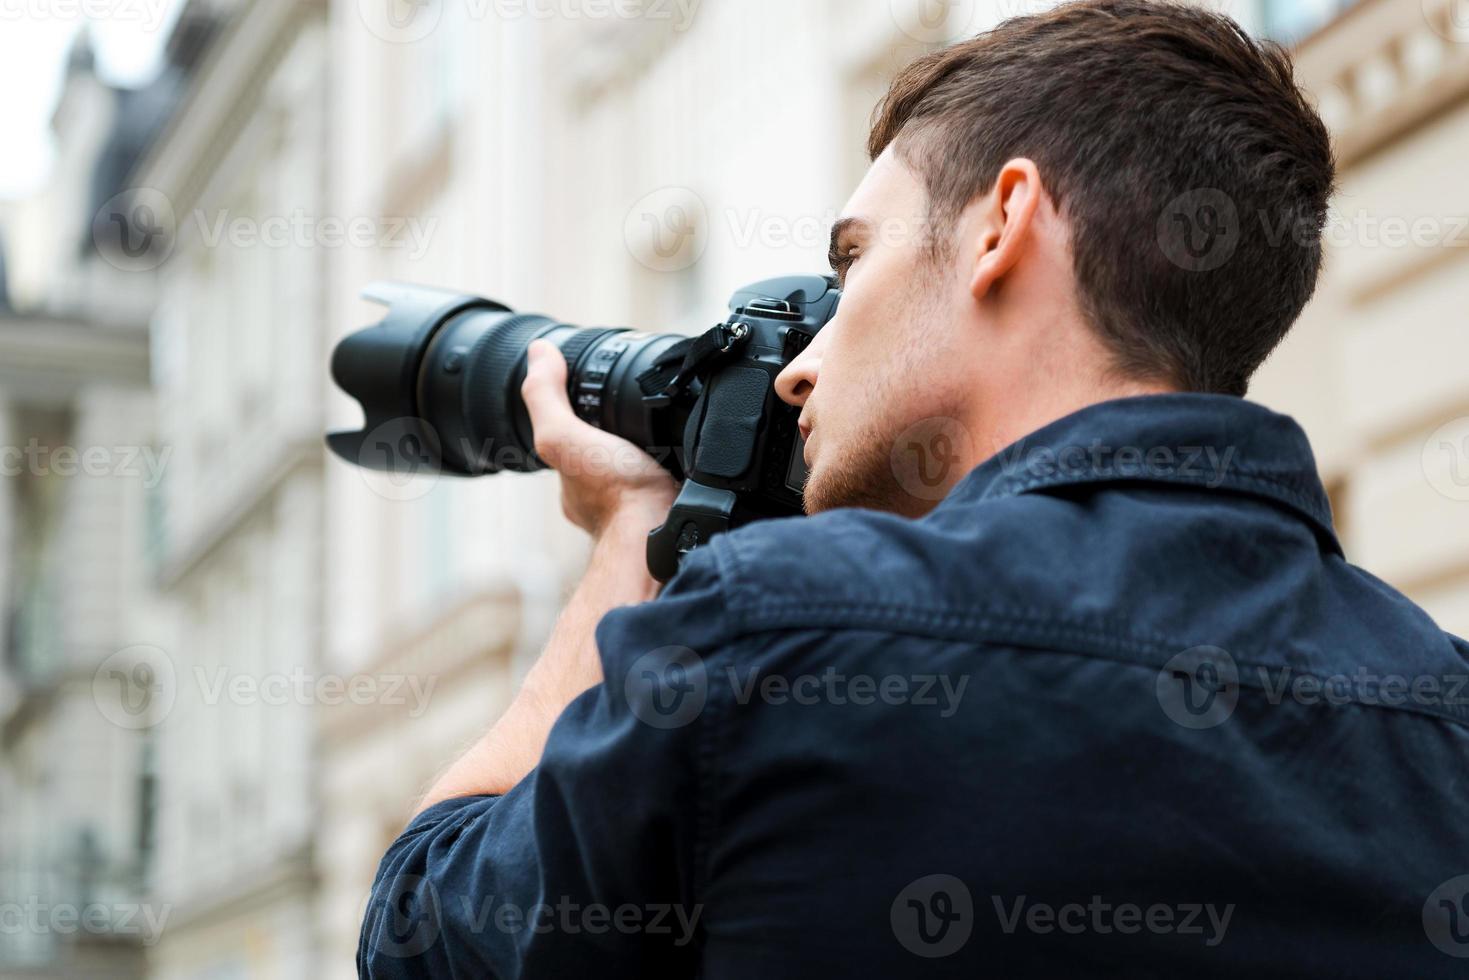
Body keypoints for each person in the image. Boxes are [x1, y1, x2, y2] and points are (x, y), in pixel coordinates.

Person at [358, 1, 1469, 975]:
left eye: (852, 262)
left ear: (1003, 225)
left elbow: (422, 932)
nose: (799, 363)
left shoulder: (777, 630)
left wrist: (622, 553)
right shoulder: (1443, 716)